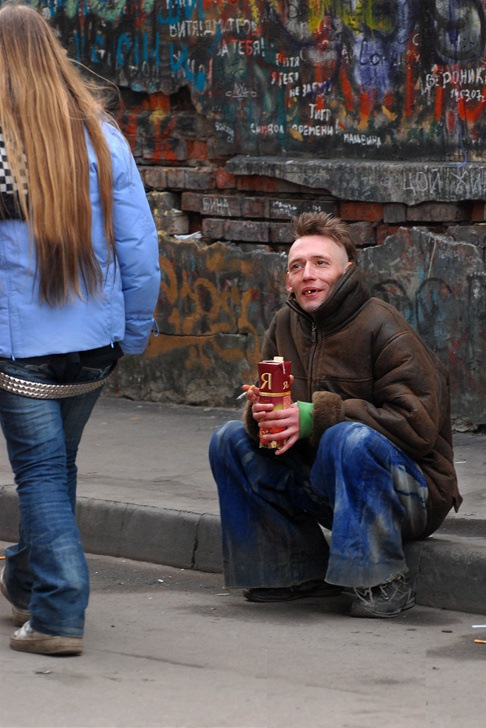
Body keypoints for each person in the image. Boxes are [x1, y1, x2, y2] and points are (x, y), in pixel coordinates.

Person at [0, 4, 160, 655]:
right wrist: (136, 331)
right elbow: (141, 248)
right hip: (96, 344)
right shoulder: (102, 136)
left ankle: (59, 612)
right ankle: (24, 580)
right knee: (55, 466)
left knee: (41, 472)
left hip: (22, 350)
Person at [209, 211, 462, 619]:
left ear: (347, 272)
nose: (307, 274)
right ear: (288, 280)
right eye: (297, 266)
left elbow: (419, 428)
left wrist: (317, 416)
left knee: (347, 437)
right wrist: (263, 417)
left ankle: (382, 579)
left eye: (320, 263)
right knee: (229, 439)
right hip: (330, 486)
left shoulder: (383, 325)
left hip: (412, 495)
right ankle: (291, 572)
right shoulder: (283, 325)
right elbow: (280, 416)